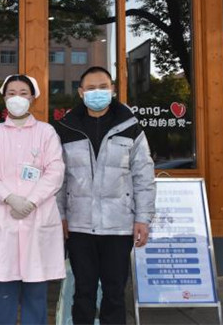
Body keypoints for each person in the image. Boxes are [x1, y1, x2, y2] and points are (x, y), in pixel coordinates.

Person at [55, 66, 156, 325]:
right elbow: (58, 179)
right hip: (79, 226)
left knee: (114, 294)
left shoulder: (130, 127)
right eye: (91, 88)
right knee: (83, 292)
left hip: (118, 226)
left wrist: (143, 218)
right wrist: (60, 216)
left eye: (103, 87)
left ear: (112, 90)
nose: (97, 92)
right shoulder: (67, 128)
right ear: (81, 93)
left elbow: (143, 175)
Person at [0, 74, 66, 325]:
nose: (17, 98)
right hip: (5, 218)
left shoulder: (46, 132)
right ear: (4, 98)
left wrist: (31, 202)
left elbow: (55, 172)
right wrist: (10, 198)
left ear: (33, 98)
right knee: (3, 293)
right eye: (11, 93)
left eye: (23, 93)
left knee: (36, 294)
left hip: (37, 218)